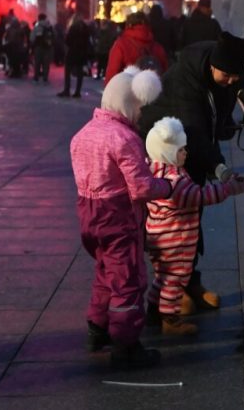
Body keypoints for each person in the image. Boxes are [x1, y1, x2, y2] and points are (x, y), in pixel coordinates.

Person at [138, 31, 244, 315]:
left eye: (234, 78)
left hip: (189, 151)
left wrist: (228, 125)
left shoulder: (225, 77)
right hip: (167, 150)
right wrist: (221, 169)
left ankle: (187, 283)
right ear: (213, 66)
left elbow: (215, 120)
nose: (230, 82)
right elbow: (195, 130)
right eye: (225, 76)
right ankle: (171, 293)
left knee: (189, 223)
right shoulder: (185, 77)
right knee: (174, 226)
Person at [69, 66, 170, 368]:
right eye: (138, 106)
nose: (140, 114)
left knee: (105, 271)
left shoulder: (82, 134)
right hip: (118, 219)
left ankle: (96, 328)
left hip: (89, 217)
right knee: (128, 280)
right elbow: (140, 188)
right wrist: (166, 185)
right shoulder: (124, 138)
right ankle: (126, 346)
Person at [143, 117, 244, 335]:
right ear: (167, 152)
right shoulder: (176, 180)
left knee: (161, 277)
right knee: (176, 278)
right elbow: (200, 196)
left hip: (157, 236)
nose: (186, 153)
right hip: (177, 239)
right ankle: (170, 319)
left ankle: (153, 309)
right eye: (181, 150)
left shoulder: (153, 170)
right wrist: (228, 188)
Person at [105, 12, 168, 84]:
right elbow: (165, 72)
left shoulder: (121, 44)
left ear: (128, 25)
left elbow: (112, 73)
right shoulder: (157, 47)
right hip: (153, 91)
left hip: (128, 91)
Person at [57, 13, 92, 98]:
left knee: (68, 71)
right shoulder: (86, 28)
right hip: (82, 53)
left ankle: (67, 90)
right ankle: (77, 91)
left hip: (72, 52)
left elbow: (68, 40)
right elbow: (88, 41)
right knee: (80, 73)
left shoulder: (73, 28)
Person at [30, 13, 55, 83]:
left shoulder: (37, 26)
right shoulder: (49, 26)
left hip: (38, 47)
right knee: (46, 63)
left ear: (39, 18)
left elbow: (32, 37)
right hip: (47, 47)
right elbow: (54, 35)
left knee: (37, 63)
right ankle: (45, 77)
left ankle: (36, 77)